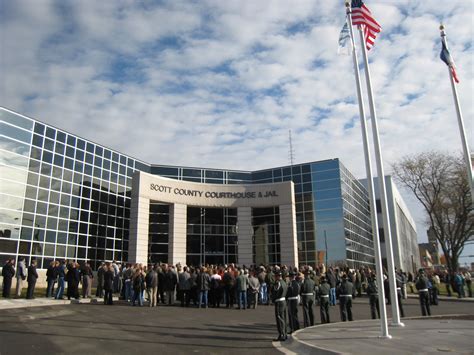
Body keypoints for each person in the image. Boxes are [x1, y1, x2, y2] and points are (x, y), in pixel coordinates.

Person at [272, 271, 288, 341]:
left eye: (275, 276)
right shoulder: (284, 282)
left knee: (279, 318)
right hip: (284, 301)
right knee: (284, 318)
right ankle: (285, 333)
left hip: (279, 301)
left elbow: (275, 292)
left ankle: (281, 334)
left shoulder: (278, 283)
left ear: (278, 276)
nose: (275, 278)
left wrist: (273, 299)